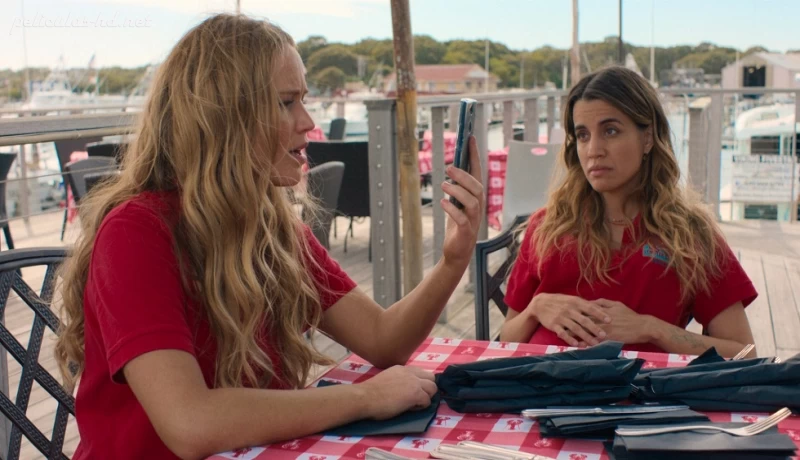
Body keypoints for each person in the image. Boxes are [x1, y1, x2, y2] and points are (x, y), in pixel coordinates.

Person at [55, 14, 484, 460]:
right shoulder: (136, 233)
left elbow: (383, 340)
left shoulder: (272, 229)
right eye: (286, 102)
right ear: (223, 118)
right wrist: (365, 397)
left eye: (303, 100)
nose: (308, 121)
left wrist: (453, 259)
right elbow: (190, 422)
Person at [500, 66, 757, 358]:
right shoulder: (547, 227)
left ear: (647, 138)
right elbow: (506, 338)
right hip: (539, 382)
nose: (594, 150)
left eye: (610, 131)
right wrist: (536, 308)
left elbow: (744, 353)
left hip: (642, 386)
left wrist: (651, 328)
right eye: (583, 135)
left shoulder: (690, 235)